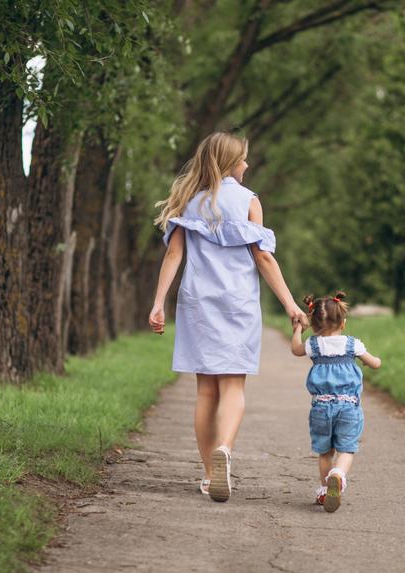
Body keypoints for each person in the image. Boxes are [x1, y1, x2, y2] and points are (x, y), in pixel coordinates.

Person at [149, 132, 307, 503]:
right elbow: (263, 258)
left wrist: (158, 303)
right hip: (237, 303)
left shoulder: (190, 201)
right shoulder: (249, 201)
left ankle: (208, 473)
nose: (247, 164)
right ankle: (225, 450)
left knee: (205, 390)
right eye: (244, 159)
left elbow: (173, 257)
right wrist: (290, 304)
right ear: (232, 163)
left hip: (198, 302)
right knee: (233, 387)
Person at [290, 291, 381, 513]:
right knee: (347, 449)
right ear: (343, 322)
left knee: (325, 451)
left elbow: (295, 349)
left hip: (321, 406)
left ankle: (324, 489)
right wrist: (373, 361)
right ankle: (338, 475)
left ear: (314, 323)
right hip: (349, 406)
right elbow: (375, 363)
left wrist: (298, 330)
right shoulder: (353, 344)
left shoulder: (313, 344)